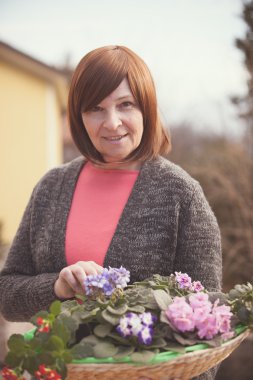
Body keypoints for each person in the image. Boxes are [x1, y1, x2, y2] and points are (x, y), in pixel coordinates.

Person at [0, 45, 221, 379]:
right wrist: (56, 289)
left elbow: (208, 329)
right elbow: (7, 294)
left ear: (146, 108)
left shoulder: (182, 195)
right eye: (96, 108)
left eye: (125, 105)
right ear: (78, 116)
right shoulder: (51, 187)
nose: (112, 122)